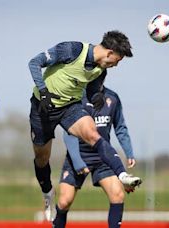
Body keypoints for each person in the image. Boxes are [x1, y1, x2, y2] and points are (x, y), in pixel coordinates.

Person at [28, 30, 141, 221]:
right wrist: (44, 91)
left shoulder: (100, 70)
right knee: (41, 158)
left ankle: (122, 175)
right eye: (117, 60)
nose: (116, 65)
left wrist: (96, 96)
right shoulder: (72, 50)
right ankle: (47, 193)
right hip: (43, 108)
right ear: (109, 53)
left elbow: (92, 89)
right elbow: (34, 63)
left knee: (92, 134)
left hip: (69, 108)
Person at [53, 84, 140, 228]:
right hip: (78, 155)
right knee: (64, 201)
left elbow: (120, 127)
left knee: (118, 195)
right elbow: (68, 133)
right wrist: (77, 161)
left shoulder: (112, 98)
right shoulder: (77, 97)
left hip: (102, 156)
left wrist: (129, 152)